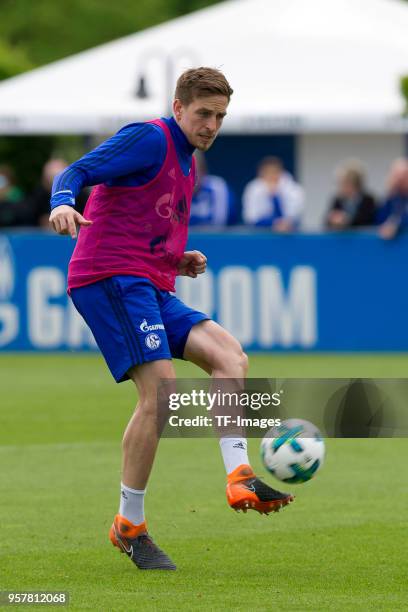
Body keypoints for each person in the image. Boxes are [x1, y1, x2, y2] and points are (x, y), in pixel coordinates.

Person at [49, 67, 293, 572]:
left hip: (150, 280)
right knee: (160, 392)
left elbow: (145, 225)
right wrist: (61, 203)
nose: (211, 125)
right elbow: (76, 172)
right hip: (108, 276)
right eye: (203, 114)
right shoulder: (149, 138)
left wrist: (177, 259)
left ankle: (239, 475)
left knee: (231, 356)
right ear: (178, 108)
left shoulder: (187, 163)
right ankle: (130, 526)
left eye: (220, 117)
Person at [242, 156, 304, 231]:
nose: (271, 176)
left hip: (289, 234)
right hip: (260, 233)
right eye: (267, 172)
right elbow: (250, 217)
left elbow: (295, 215)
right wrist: (272, 223)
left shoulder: (293, 189)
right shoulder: (253, 188)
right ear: (261, 173)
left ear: (281, 172)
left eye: (274, 172)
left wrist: (276, 196)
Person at [28, 158, 88, 228]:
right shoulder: (38, 194)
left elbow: (86, 217)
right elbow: (31, 217)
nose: (55, 186)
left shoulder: (81, 193)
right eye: (51, 180)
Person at [325, 160, 376, 229]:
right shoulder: (337, 200)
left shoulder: (368, 200)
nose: (340, 187)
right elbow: (326, 222)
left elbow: (369, 221)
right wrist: (332, 220)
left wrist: (346, 220)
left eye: (344, 183)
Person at [189, 153, 237, 226]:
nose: (189, 177)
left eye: (194, 171)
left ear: (204, 172)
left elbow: (220, 224)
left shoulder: (218, 187)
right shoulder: (171, 190)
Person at [377, 158, 408, 240]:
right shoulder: (391, 198)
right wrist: (389, 194)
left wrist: (396, 225)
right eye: (396, 175)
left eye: (404, 175)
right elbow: (378, 220)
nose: (400, 179)